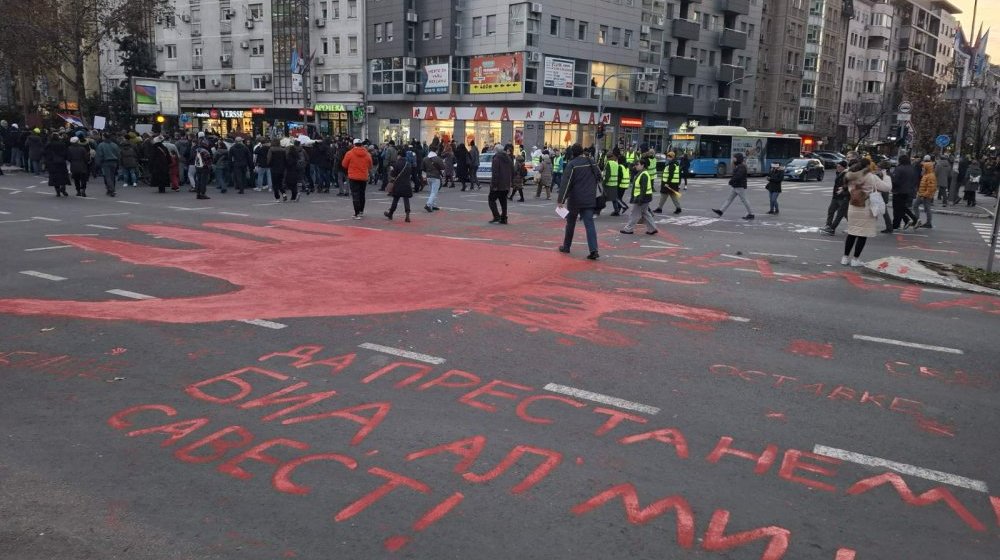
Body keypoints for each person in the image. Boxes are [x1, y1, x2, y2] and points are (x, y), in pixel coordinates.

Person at [841, 159, 891, 266]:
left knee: (852, 233)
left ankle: (845, 258)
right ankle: (855, 259)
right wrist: (886, 176)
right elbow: (886, 188)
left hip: (853, 207)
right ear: (868, 166)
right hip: (866, 207)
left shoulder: (850, 176)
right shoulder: (871, 177)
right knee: (862, 235)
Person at [558, 143, 602, 259]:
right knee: (589, 224)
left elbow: (566, 184)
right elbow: (599, 176)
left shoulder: (572, 165)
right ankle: (594, 250)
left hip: (575, 199)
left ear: (572, 153)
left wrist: (561, 200)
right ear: (582, 151)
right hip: (589, 198)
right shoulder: (591, 161)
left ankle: (566, 247)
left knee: (571, 223)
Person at [620, 158, 658, 237]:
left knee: (634, 214)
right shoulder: (642, 173)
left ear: (643, 165)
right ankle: (652, 229)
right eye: (635, 164)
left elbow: (643, 189)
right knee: (645, 213)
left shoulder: (643, 174)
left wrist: (640, 199)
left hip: (641, 198)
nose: (636, 166)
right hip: (645, 197)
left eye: (637, 164)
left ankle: (628, 229)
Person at [711, 152, 753, 220]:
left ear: (738, 159)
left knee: (744, 200)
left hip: (739, 186)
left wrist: (731, 181)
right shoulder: (739, 166)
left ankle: (751, 214)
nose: (733, 159)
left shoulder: (741, 167)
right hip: (736, 186)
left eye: (735, 158)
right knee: (729, 199)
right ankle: (721, 211)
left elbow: (738, 176)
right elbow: (736, 175)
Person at [342, 138, 373, 218]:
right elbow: (370, 166)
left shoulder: (349, 153)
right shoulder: (367, 154)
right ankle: (361, 211)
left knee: (355, 194)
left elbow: (344, 164)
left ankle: (357, 213)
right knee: (362, 194)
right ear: (361, 144)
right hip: (363, 176)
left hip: (353, 176)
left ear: (353, 144)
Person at [890, 154, 919, 231]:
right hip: (909, 191)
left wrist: (891, 185)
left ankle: (898, 224)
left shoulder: (899, 169)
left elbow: (895, 181)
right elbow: (915, 180)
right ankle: (907, 220)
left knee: (897, 208)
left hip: (898, 191)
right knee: (902, 207)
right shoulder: (912, 168)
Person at [384, 151, 414, 222]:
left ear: (399, 156)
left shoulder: (396, 164)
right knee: (406, 199)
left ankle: (390, 213)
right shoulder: (408, 164)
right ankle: (407, 215)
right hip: (407, 184)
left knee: (395, 199)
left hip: (398, 184)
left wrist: (391, 170)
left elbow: (393, 175)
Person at [822, 161, 849, 235]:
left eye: (839, 166)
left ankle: (852, 227)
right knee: (831, 210)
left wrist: (842, 190)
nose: (837, 168)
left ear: (843, 167)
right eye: (837, 166)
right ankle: (828, 225)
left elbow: (847, 185)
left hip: (842, 197)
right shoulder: (838, 173)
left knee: (844, 214)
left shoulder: (846, 174)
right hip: (836, 196)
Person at [488, 144, 513, 224]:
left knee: (491, 200)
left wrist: (494, 185)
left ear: (496, 150)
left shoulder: (496, 158)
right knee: (503, 201)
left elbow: (495, 173)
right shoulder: (508, 158)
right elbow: (512, 171)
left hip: (498, 184)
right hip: (506, 184)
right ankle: (504, 218)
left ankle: (496, 216)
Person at [913, 155, 936, 229]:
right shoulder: (926, 175)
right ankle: (920, 221)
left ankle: (924, 222)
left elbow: (931, 188)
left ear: (927, 168)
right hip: (922, 194)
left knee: (924, 208)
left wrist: (924, 195)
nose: (922, 169)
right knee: (923, 207)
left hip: (925, 195)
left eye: (923, 168)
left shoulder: (930, 176)